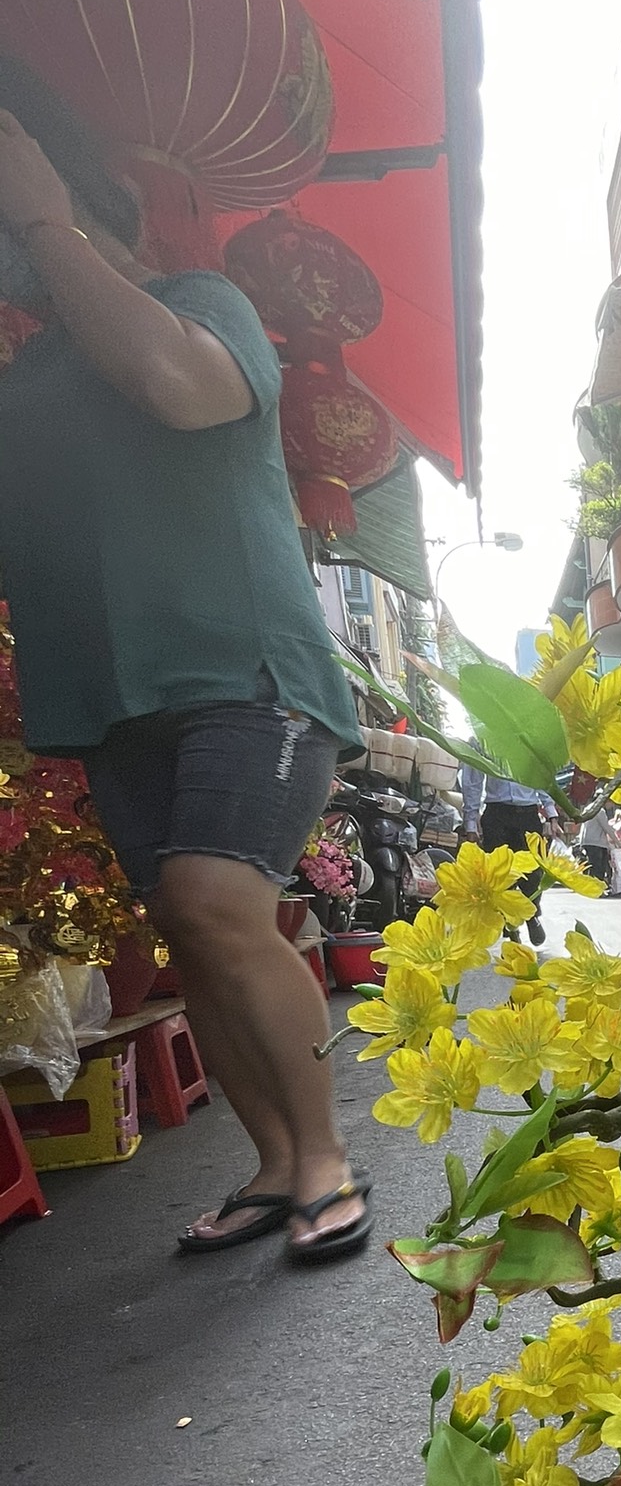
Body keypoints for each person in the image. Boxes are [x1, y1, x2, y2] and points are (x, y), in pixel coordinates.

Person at [0, 61, 371, 1261]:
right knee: (182, 921)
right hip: (113, 699)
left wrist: (46, 219)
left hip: (248, 676)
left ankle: (324, 1158)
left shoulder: (202, 304)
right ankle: (274, 1164)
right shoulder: (30, 382)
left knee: (219, 904)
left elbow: (178, 388)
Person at [458, 759, 554, 943]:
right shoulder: (482, 740)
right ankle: (511, 929)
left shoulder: (527, 737)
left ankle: (532, 915)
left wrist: (551, 812)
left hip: (528, 814)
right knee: (500, 875)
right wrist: (470, 823)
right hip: (496, 814)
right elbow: (473, 781)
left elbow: (542, 773)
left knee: (533, 872)